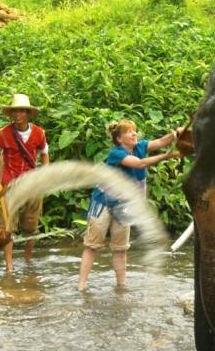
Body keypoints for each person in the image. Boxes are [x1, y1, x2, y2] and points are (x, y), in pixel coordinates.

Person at [77, 120, 182, 291]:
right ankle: (81, 287)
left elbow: (161, 142)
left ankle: (121, 287)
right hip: (103, 202)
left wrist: (176, 133)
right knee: (92, 246)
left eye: (134, 131)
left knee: (120, 249)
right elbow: (140, 163)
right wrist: (167, 156)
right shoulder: (116, 154)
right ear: (119, 139)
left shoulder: (140, 146)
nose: (134, 134)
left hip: (124, 205)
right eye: (129, 132)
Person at [0, 94, 49, 272]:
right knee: (7, 227)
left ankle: (27, 260)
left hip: (32, 184)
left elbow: (44, 153)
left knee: (31, 225)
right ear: (11, 114)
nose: (18, 115)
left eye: (22, 111)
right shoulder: (3, 134)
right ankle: (9, 267)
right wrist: (2, 177)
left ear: (28, 113)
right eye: (15, 111)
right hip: (11, 184)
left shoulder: (39, 133)